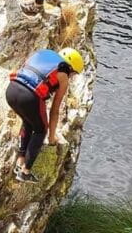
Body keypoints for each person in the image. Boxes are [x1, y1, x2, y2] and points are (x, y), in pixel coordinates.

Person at [5, 48, 84, 183]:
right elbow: (54, 110)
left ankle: (21, 159)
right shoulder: (63, 73)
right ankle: (25, 172)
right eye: (74, 74)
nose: (71, 77)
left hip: (11, 90)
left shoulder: (41, 54)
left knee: (29, 121)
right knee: (41, 129)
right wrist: (51, 139)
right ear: (71, 67)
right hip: (30, 97)